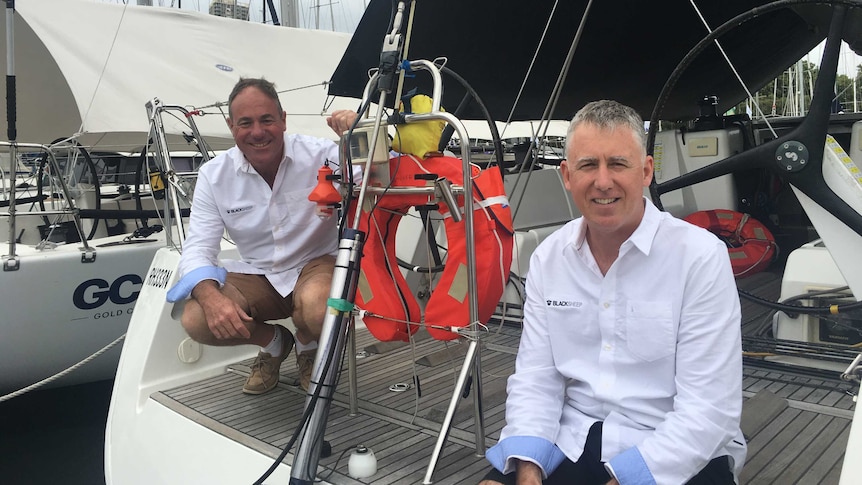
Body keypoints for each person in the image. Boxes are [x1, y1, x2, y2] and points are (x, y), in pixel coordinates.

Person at [480, 100, 746, 485]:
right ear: (567, 176)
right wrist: (528, 470)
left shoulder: (700, 258)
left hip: (675, 446)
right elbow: (537, 379)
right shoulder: (547, 259)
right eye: (588, 165)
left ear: (646, 172)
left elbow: (709, 410)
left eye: (618, 164)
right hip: (572, 435)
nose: (603, 182)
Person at [167, 77, 358, 395]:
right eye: (246, 123)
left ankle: (307, 343)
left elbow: (381, 174)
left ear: (283, 120)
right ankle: (273, 343)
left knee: (322, 310)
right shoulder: (214, 176)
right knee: (196, 317)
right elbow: (199, 245)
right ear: (231, 126)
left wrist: (359, 134)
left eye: (267, 119)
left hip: (316, 265)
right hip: (259, 273)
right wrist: (211, 297)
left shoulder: (323, 155)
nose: (257, 132)